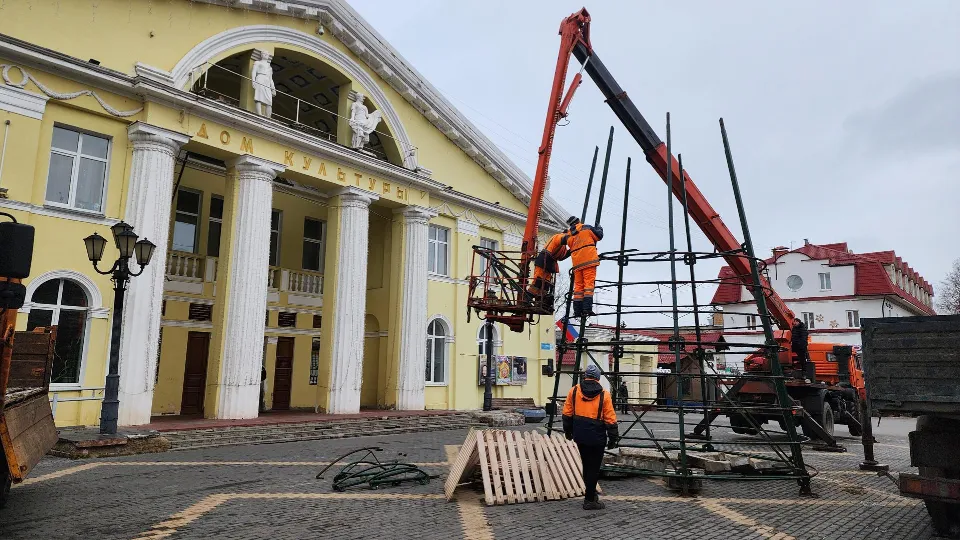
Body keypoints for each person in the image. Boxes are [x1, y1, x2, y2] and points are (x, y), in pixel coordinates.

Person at [562, 364, 619, 510]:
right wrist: (613, 438)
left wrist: (568, 432)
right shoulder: (604, 394)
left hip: (580, 434)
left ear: (585, 375)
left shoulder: (574, 391)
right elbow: (610, 418)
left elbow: (567, 414)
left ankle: (591, 494)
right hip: (597, 435)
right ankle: (589, 500)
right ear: (598, 378)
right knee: (594, 467)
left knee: (587, 465)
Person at [564, 216, 603, 317]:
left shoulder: (568, 235)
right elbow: (599, 236)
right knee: (588, 286)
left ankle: (577, 311)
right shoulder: (586, 228)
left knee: (578, 288)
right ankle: (586, 309)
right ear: (578, 221)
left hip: (577, 264)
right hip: (589, 260)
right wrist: (599, 228)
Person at [526, 230, 570, 306]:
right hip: (544, 260)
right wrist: (575, 238)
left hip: (549, 263)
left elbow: (562, 257)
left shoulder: (563, 247)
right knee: (538, 282)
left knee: (546, 285)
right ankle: (527, 299)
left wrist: (573, 249)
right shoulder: (558, 236)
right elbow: (564, 239)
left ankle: (540, 302)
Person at [791, 318, 811, 383]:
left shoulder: (802, 328)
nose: (793, 323)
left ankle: (804, 373)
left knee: (802, 359)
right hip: (795, 346)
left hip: (801, 346)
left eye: (794, 322)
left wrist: (799, 344)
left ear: (797, 322)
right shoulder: (794, 328)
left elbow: (803, 338)